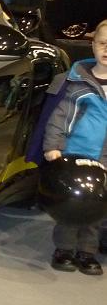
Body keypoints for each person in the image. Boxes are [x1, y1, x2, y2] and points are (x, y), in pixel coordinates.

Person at [43, 21, 107, 275]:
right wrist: (53, 146)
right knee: (71, 206)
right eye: (102, 43)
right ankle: (64, 249)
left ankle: (87, 252)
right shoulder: (77, 83)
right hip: (74, 156)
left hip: (104, 160)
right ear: (92, 45)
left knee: (96, 209)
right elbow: (59, 117)